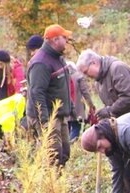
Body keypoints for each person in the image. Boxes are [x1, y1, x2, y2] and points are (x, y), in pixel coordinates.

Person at [26, 24, 73, 167]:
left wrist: (70, 106)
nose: (67, 40)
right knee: (53, 155)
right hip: (48, 117)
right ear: (54, 40)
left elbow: (61, 86)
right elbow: (36, 93)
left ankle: (58, 186)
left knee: (64, 153)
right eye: (64, 38)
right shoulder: (41, 62)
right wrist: (45, 121)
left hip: (60, 114)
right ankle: (48, 186)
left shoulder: (58, 58)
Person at [76, 49, 130, 120]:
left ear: (93, 63)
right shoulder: (98, 82)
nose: (86, 76)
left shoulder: (117, 68)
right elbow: (113, 105)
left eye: (86, 72)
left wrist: (109, 111)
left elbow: (129, 97)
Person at [0, 50, 25, 156]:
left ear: (6, 63)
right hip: (3, 102)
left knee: (11, 127)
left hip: (14, 103)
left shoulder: (17, 69)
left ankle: (10, 150)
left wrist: (12, 105)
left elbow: (19, 90)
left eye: (0, 64)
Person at [66, 61, 96, 142]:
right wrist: (91, 105)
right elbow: (85, 92)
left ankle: (66, 146)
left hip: (64, 107)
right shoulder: (79, 77)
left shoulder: (62, 77)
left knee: (66, 129)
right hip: (77, 107)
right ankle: (71, 145)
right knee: (76, 127)